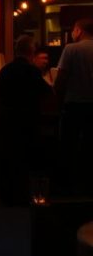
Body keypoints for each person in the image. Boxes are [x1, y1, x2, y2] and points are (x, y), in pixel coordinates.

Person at [0, 35, 53, 205]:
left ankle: (7, 195)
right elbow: (46, 93)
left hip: (6, 121)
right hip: (27, 120)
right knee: (26, 158)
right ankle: (23, 195)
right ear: (32, 51)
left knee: (8, 158)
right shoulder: (32, 71)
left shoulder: (5, 70)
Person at [54, 17, 93, 193]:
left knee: (68, 146)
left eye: (74, 30)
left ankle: (68, 186)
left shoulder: (71, 49)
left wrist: (57, 96)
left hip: (74, 104)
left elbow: (61, 77)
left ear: (79, 30)